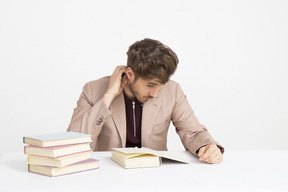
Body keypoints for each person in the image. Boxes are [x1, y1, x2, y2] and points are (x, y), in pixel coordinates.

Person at [67, 38, 224, 164]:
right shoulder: (93, 90)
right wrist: (108, 96)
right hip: (110, 174)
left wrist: (207, 146)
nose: (155, 94)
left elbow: (192, 131)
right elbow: (73, 142)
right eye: (151, 85)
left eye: (160, 85)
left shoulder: (173, 91)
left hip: (154, 175)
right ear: (130, 74)